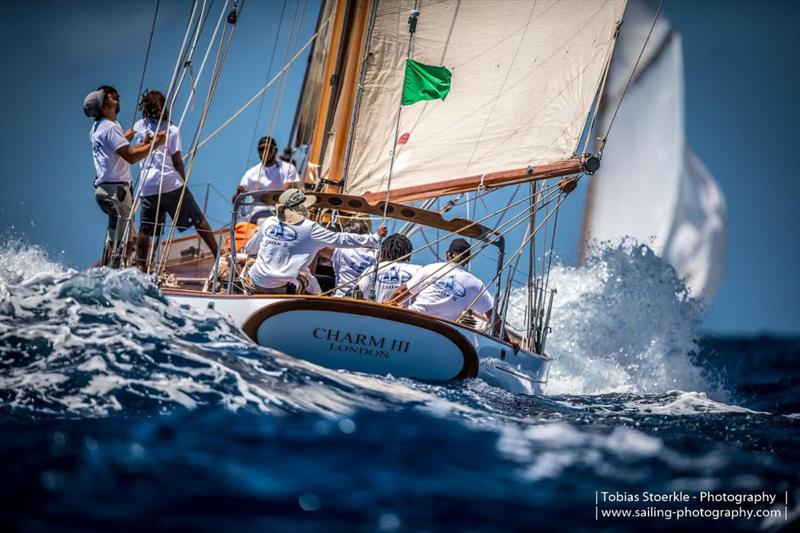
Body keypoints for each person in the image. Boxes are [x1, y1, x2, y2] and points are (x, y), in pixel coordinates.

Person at [130, 90, 219, 271]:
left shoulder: (138, 126)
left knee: (145, 231)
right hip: (170, 183)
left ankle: (141, 269)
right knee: (198, 219)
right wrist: (184, 182)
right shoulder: (171, 130)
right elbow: (177, 161)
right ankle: (219, 256)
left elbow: (137, 151)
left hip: (147, 187)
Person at [242, 189, 386, 294]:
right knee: (307, 279)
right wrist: (372, 239)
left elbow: (249, 250)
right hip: (283, 287)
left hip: (257, 282)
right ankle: (320, 300)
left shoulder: (269, 222)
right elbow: (340, 239)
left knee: (250, 265)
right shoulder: (310, 228)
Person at [84, 85, 166, 267]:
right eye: (108, 97)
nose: (114, 96)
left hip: (105, 190)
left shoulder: (98, 128)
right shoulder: (110, 128)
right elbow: (131, 157)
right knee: (121, 244)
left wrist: (140, 143)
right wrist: (157, 143)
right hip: (117, 191)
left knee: (124, 240)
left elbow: (115, 155)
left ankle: (108, 273)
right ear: (104, 108)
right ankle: (111, 278)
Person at [389, 238, 493, 321]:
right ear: (469, 259)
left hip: (413, 318)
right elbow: (492, 314)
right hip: (443, 328)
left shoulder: (431, 268)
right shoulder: (475, 284)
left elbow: (401, 291)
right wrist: (507, 338)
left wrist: (386, 305)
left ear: (447, 253)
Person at [233, 136, 300, 222]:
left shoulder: (288, 168)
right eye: (262, 149)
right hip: (258, 214)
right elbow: (236, 199)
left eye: (268, 148)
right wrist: (238, 194)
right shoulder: (250, 173)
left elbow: (289, 191)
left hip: (282, 213)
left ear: (275, 150)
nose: (265, 151)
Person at [358, 233, 420, 304]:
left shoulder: (372, 269)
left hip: (377, 313)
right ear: (409, 251)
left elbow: (359, 294)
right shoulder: (418, 270)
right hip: (407, 314)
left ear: (383, 250)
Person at [331, 218, 376, 297]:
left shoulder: (341, 250)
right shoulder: (376, 254)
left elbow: (317, 249)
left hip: (340, 297)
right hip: (364, 301)